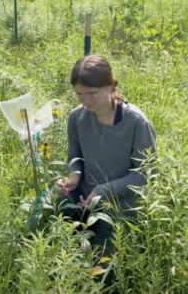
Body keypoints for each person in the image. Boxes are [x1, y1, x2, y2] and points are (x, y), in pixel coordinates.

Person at [58, 55, 156, 255]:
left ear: (111, 87)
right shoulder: (77, 117)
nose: (85, 101)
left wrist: (104, 191)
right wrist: (74, 176)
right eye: (79, 94)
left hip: (119, 204)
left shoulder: (135, 122)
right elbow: (74, 155)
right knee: (60, 232)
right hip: (84, 194)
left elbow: (145, 173)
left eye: (92, 94)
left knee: (101, 259)